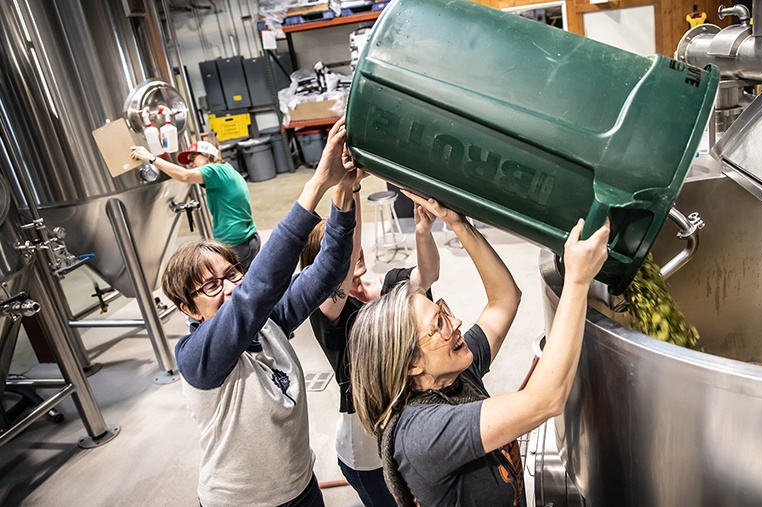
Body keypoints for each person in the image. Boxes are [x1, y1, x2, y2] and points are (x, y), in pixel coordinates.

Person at [349, 192, 611, 507]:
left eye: (444, 311)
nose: (457, 322)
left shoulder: (451, 374)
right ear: (410, 365)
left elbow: (504, 298)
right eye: (439, 324)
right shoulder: (421, 434)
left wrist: (458, 223)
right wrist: (578, 281)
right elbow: (545, 401)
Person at [159, 117, 357, 507]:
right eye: (211, 285)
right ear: (187, 308)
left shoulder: (268, 324)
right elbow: (255, 293)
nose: (230, 287)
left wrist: (344, 192)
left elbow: (327, 270)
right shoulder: (198, 356)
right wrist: (315, 184)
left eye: (232, 274)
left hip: (301, 488)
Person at [299, 170, 441, 507]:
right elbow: (343, 262)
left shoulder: (389, 285)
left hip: (405, 427)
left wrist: (422, 233)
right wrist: (351, 190)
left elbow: (428, 275)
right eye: (343, 250)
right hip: (366, 448)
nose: (356, 250)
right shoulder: (329, 310)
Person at [131, 140, 261, 269]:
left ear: (207, 155)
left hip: (237, 244)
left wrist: (151, 158)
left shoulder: (213, 170)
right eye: (189, 161)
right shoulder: (226, 168)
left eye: (193, 158)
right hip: (247, 239)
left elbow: (185, 176)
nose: (191, 163)